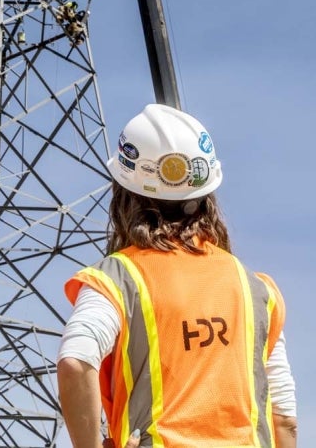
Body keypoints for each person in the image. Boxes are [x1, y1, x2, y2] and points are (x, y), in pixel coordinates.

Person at [57, 104, 297, 448]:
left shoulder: (117, 279)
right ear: (206, 195)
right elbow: (284, 418)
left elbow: (76, 362)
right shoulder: (257, 289)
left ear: (124, 193)